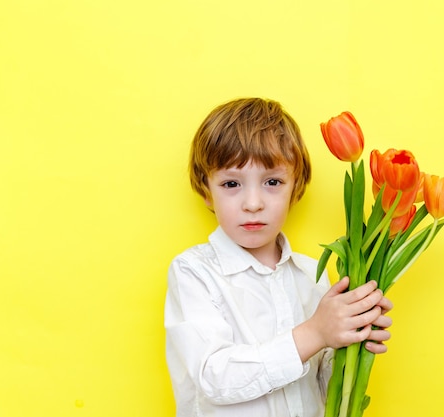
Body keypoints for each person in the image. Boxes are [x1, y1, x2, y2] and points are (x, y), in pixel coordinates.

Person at [164, 97, 393, 417]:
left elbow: (322, 389)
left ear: (295, 186)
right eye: (231, 183)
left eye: (272, 182)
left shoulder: (313, 274)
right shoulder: (193, 273)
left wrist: (352, 339)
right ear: (206, 189)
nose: (254, 203)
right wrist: (314, 332)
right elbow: (212, 377)